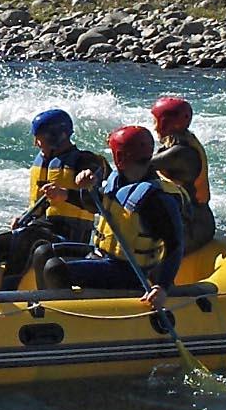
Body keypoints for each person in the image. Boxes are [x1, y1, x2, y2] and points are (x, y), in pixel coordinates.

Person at [31, 125, 187, 312]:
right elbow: (99, 203)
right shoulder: (119, 179)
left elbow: (175, 245)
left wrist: (163, 286)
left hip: (130, 272)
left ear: (121, 157)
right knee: (42, 252)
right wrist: (70, 192)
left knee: (55, 268)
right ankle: (46, 309)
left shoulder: (157, 200)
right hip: (103, 256)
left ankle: (66, 315)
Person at [0, 108, 107, 291]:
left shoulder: (86, 161)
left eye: (39, 138)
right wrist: (25, 217)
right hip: (40, 230)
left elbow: (100, 201)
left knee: (27, 238)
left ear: (55, 137)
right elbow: (39, 207)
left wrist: (69, 192)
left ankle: (8, 292)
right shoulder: (43, 162)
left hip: (70, 237)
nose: (35, 143)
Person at [149, 95, 215, 252]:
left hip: (195, 226)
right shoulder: (181, 144)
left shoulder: (180, 154)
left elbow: (140, 166)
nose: (154, 127)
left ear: (165, 124)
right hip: (189, 220)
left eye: (155, 121)